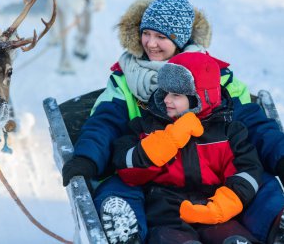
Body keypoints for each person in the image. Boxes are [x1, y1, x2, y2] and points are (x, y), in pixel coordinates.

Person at [62, 0, 284, 243]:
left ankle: (277, 224)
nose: (150, 43)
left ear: (180, 40)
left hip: (212, 169)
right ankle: (128, 232)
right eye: (146, 33)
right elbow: (105, 123)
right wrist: (86, 158)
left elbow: (253, 123)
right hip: (149, 168)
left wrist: (281, 154)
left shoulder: (215, 75)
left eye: (161, 37)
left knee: (259, 181)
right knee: (118, 186)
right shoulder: (126, 80)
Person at [112, 52, 262, 243]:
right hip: (167, 211)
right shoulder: (149, 126)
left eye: (176, 95)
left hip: (215, 207)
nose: (166, 99)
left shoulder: (228, 131)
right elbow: (124, 164)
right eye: (165, 91)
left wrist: (225, 204)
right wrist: (167, 141)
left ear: (199, 97)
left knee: (232, 237)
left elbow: (248, 169)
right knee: (173, 239)